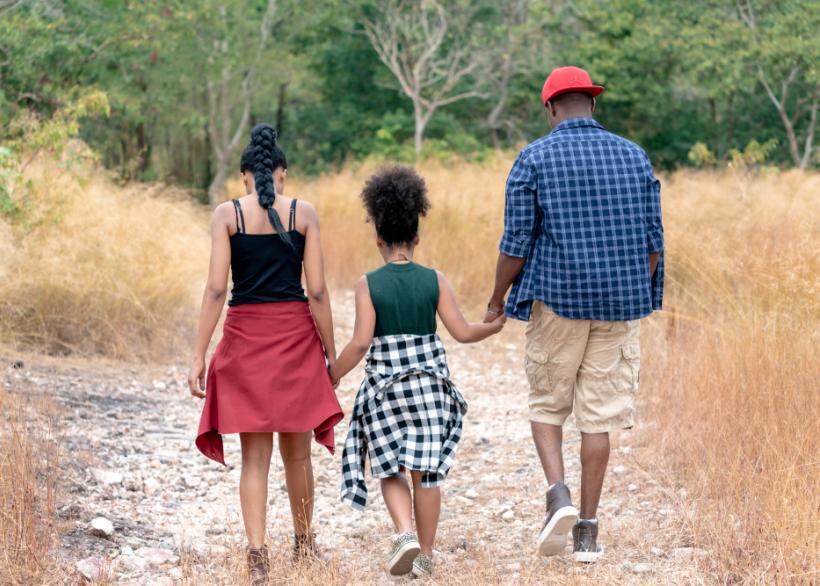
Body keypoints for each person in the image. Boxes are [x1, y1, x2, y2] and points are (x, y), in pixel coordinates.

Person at [484, 66, 664, 563]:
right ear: (593, 103)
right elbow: (653, 245)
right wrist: (632, 289)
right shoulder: (634, 156)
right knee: (599, 417)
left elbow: (516, 244)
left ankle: (557, 494)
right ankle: (587, 530)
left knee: (547, 403)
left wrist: (498, 300)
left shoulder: (534, 158)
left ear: (550, 108)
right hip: (618, 306)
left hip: (558, 302)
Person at [330, 166, 505, 578]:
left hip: (386, 392)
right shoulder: (435, 280)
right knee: (426, 473)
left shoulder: (367, 284)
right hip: (429, 391)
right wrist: (492, 326)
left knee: (389, 466)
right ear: (417, 236)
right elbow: (462, 332)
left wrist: (331, 373)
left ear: (377, 237)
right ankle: (425, 554)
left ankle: (404, 532)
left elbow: (359, 343)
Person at [187, 124, 343, 585]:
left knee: (254, 458)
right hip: (295, 337)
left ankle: (258, 558)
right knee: (298, 456)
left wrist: (199, 354)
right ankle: (305, 544)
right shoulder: (305, 214)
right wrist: (331, 353)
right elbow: (315, 290)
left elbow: (217, 288)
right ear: (282, 175)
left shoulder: (227, 215)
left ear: (245, 178)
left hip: (245, 339)